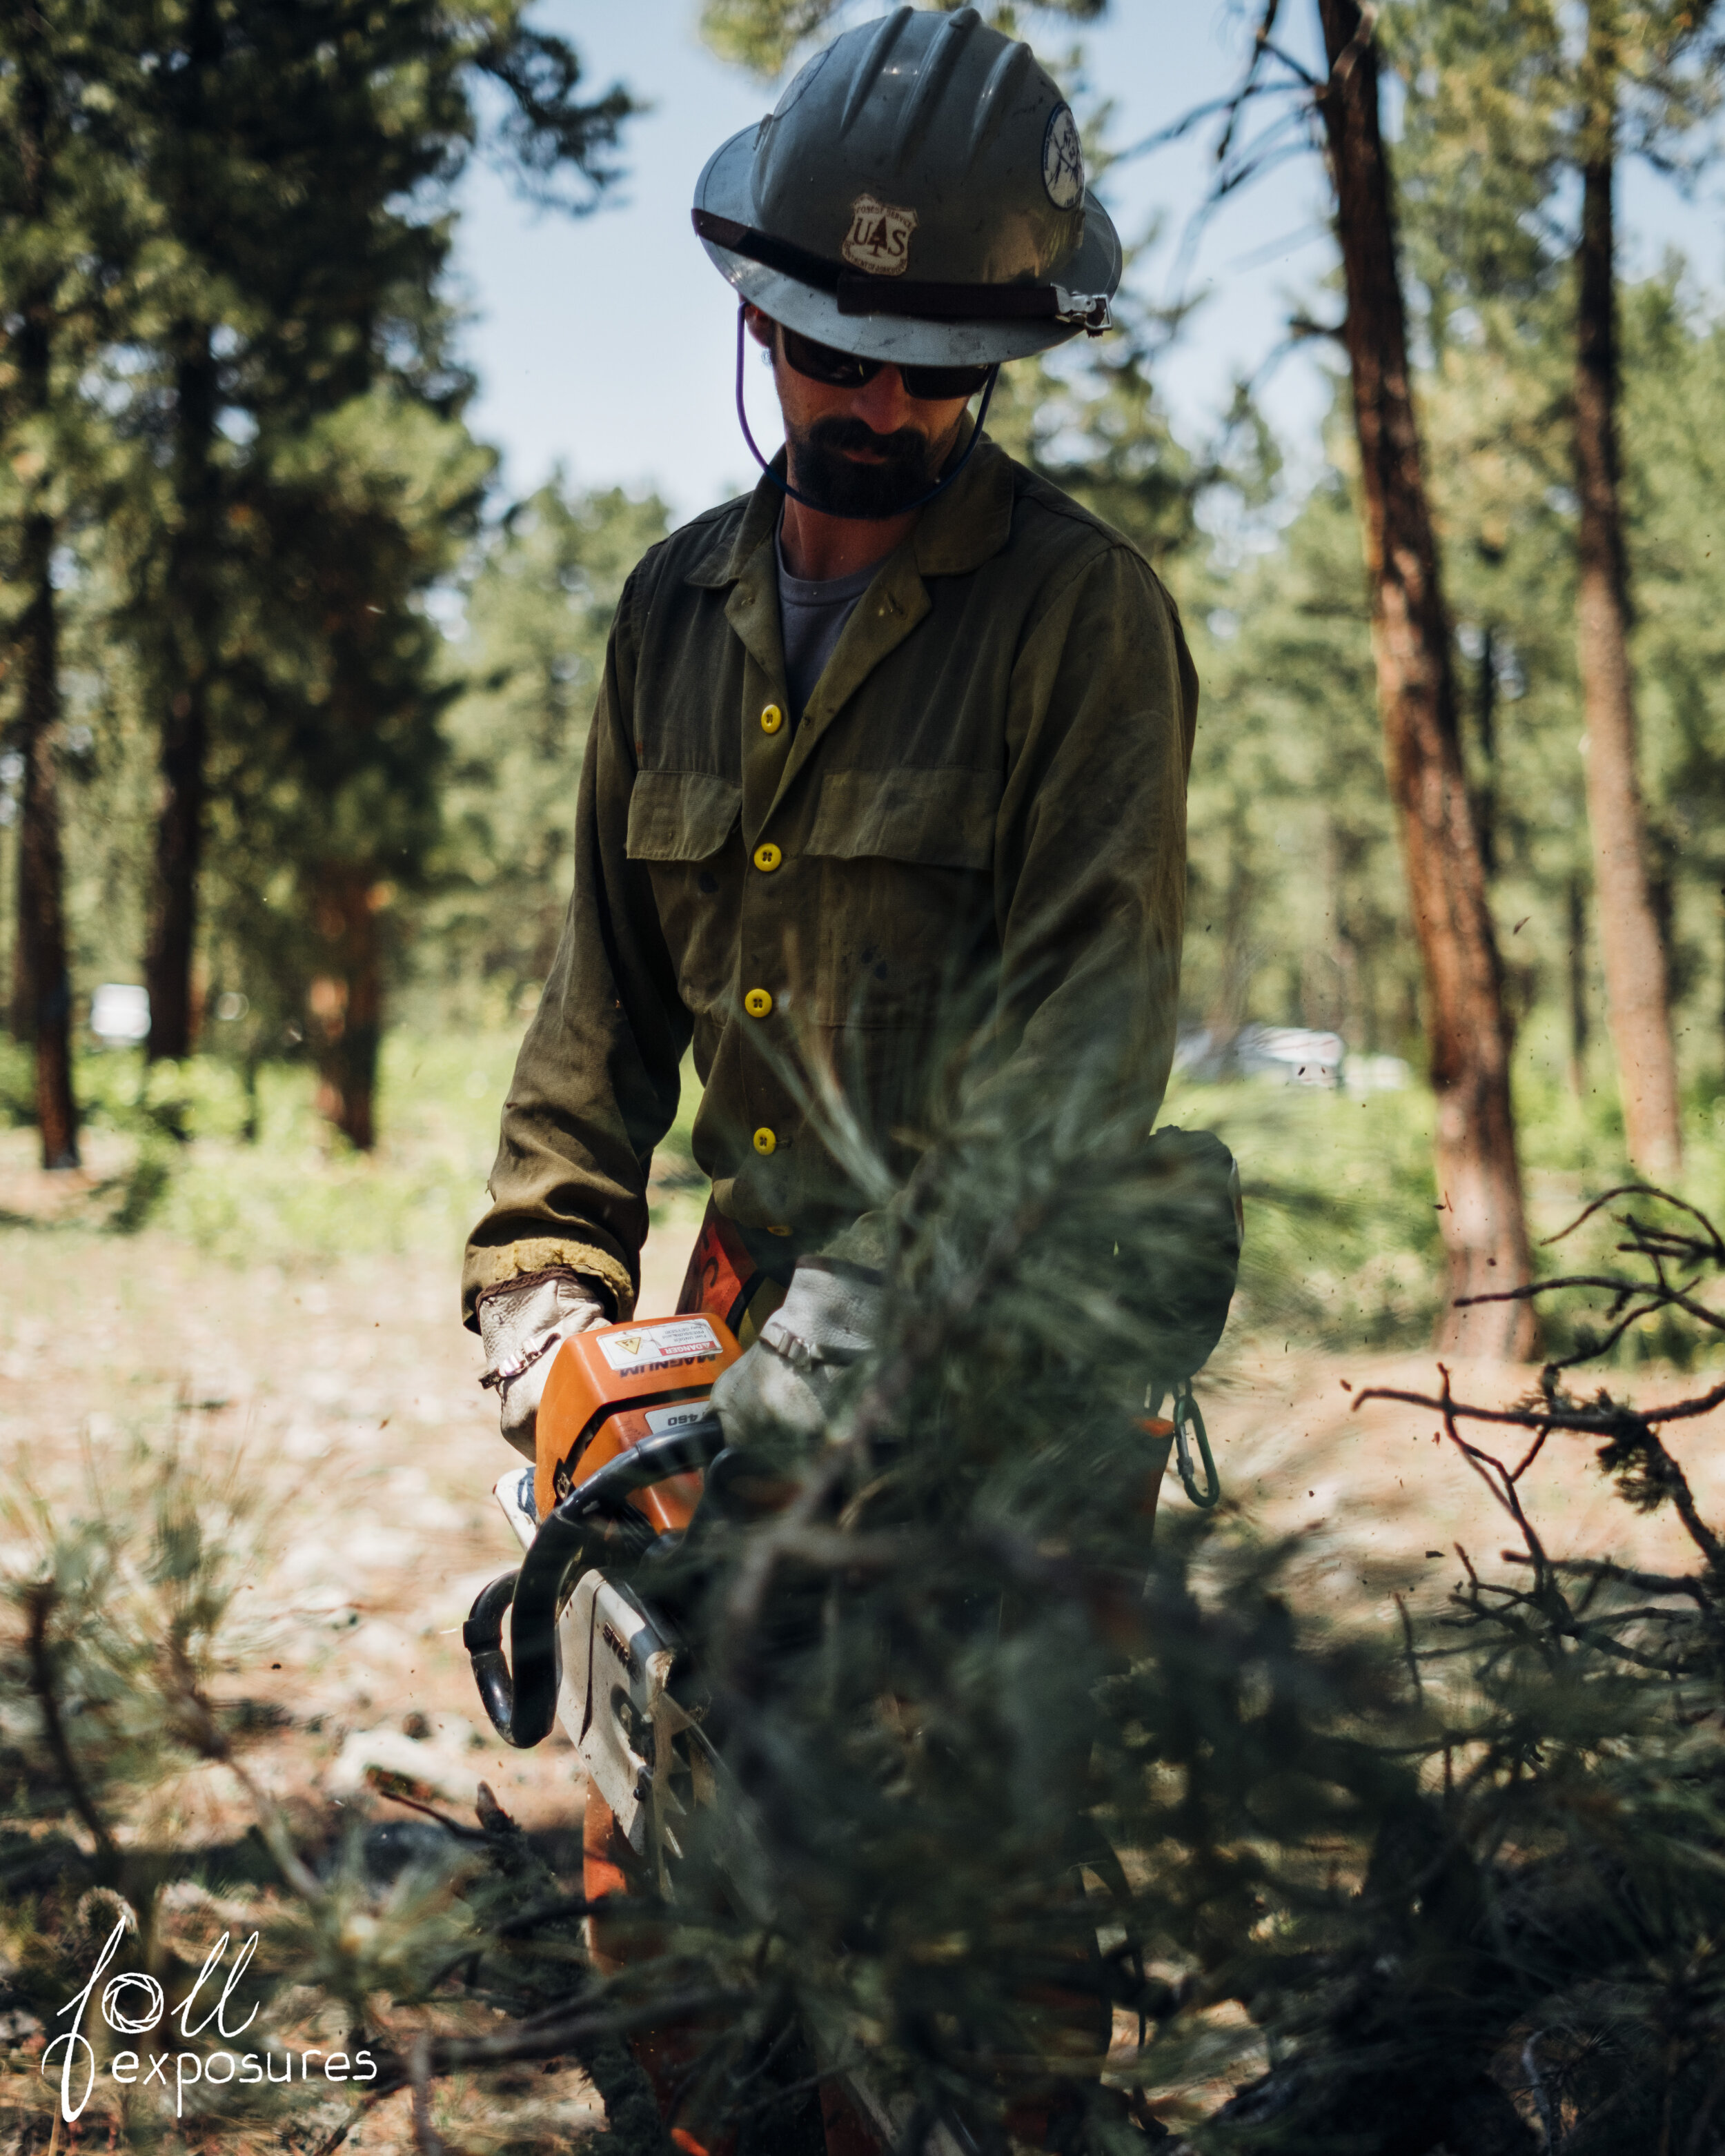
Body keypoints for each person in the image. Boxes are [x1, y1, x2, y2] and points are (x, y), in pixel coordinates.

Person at [464, 2, 1198, 2139]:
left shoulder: (1080, 622)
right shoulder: (666, 613)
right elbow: (593, 1005)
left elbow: (1076, 1061)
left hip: (997, 1359)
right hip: (718, 1308)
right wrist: (541, 1298)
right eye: (834, 354)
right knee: (670, 1912)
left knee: (950, 1958)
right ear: (756, 317)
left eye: (936, 371)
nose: (882, 404)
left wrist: (859, 1343)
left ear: (1001, 357)